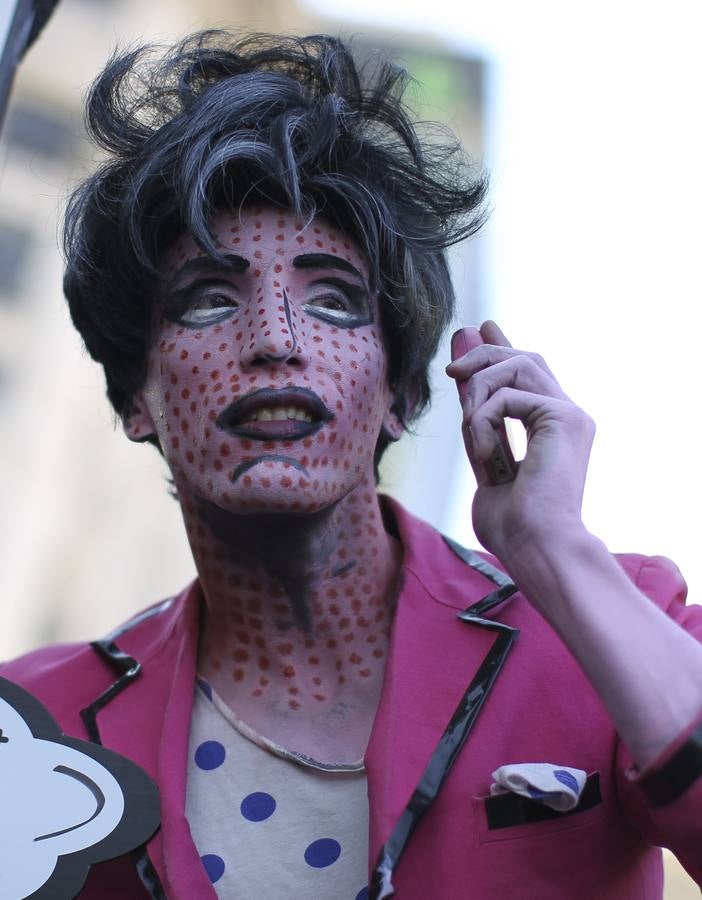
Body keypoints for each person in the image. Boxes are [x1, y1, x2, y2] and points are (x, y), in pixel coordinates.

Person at [2, 30, 701, 900]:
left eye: (332, 300)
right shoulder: (33, 729)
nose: (275, 342)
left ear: (401, 394)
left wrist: (558, 550)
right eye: (210, 299)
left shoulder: (614, 630)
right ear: (139, 396)